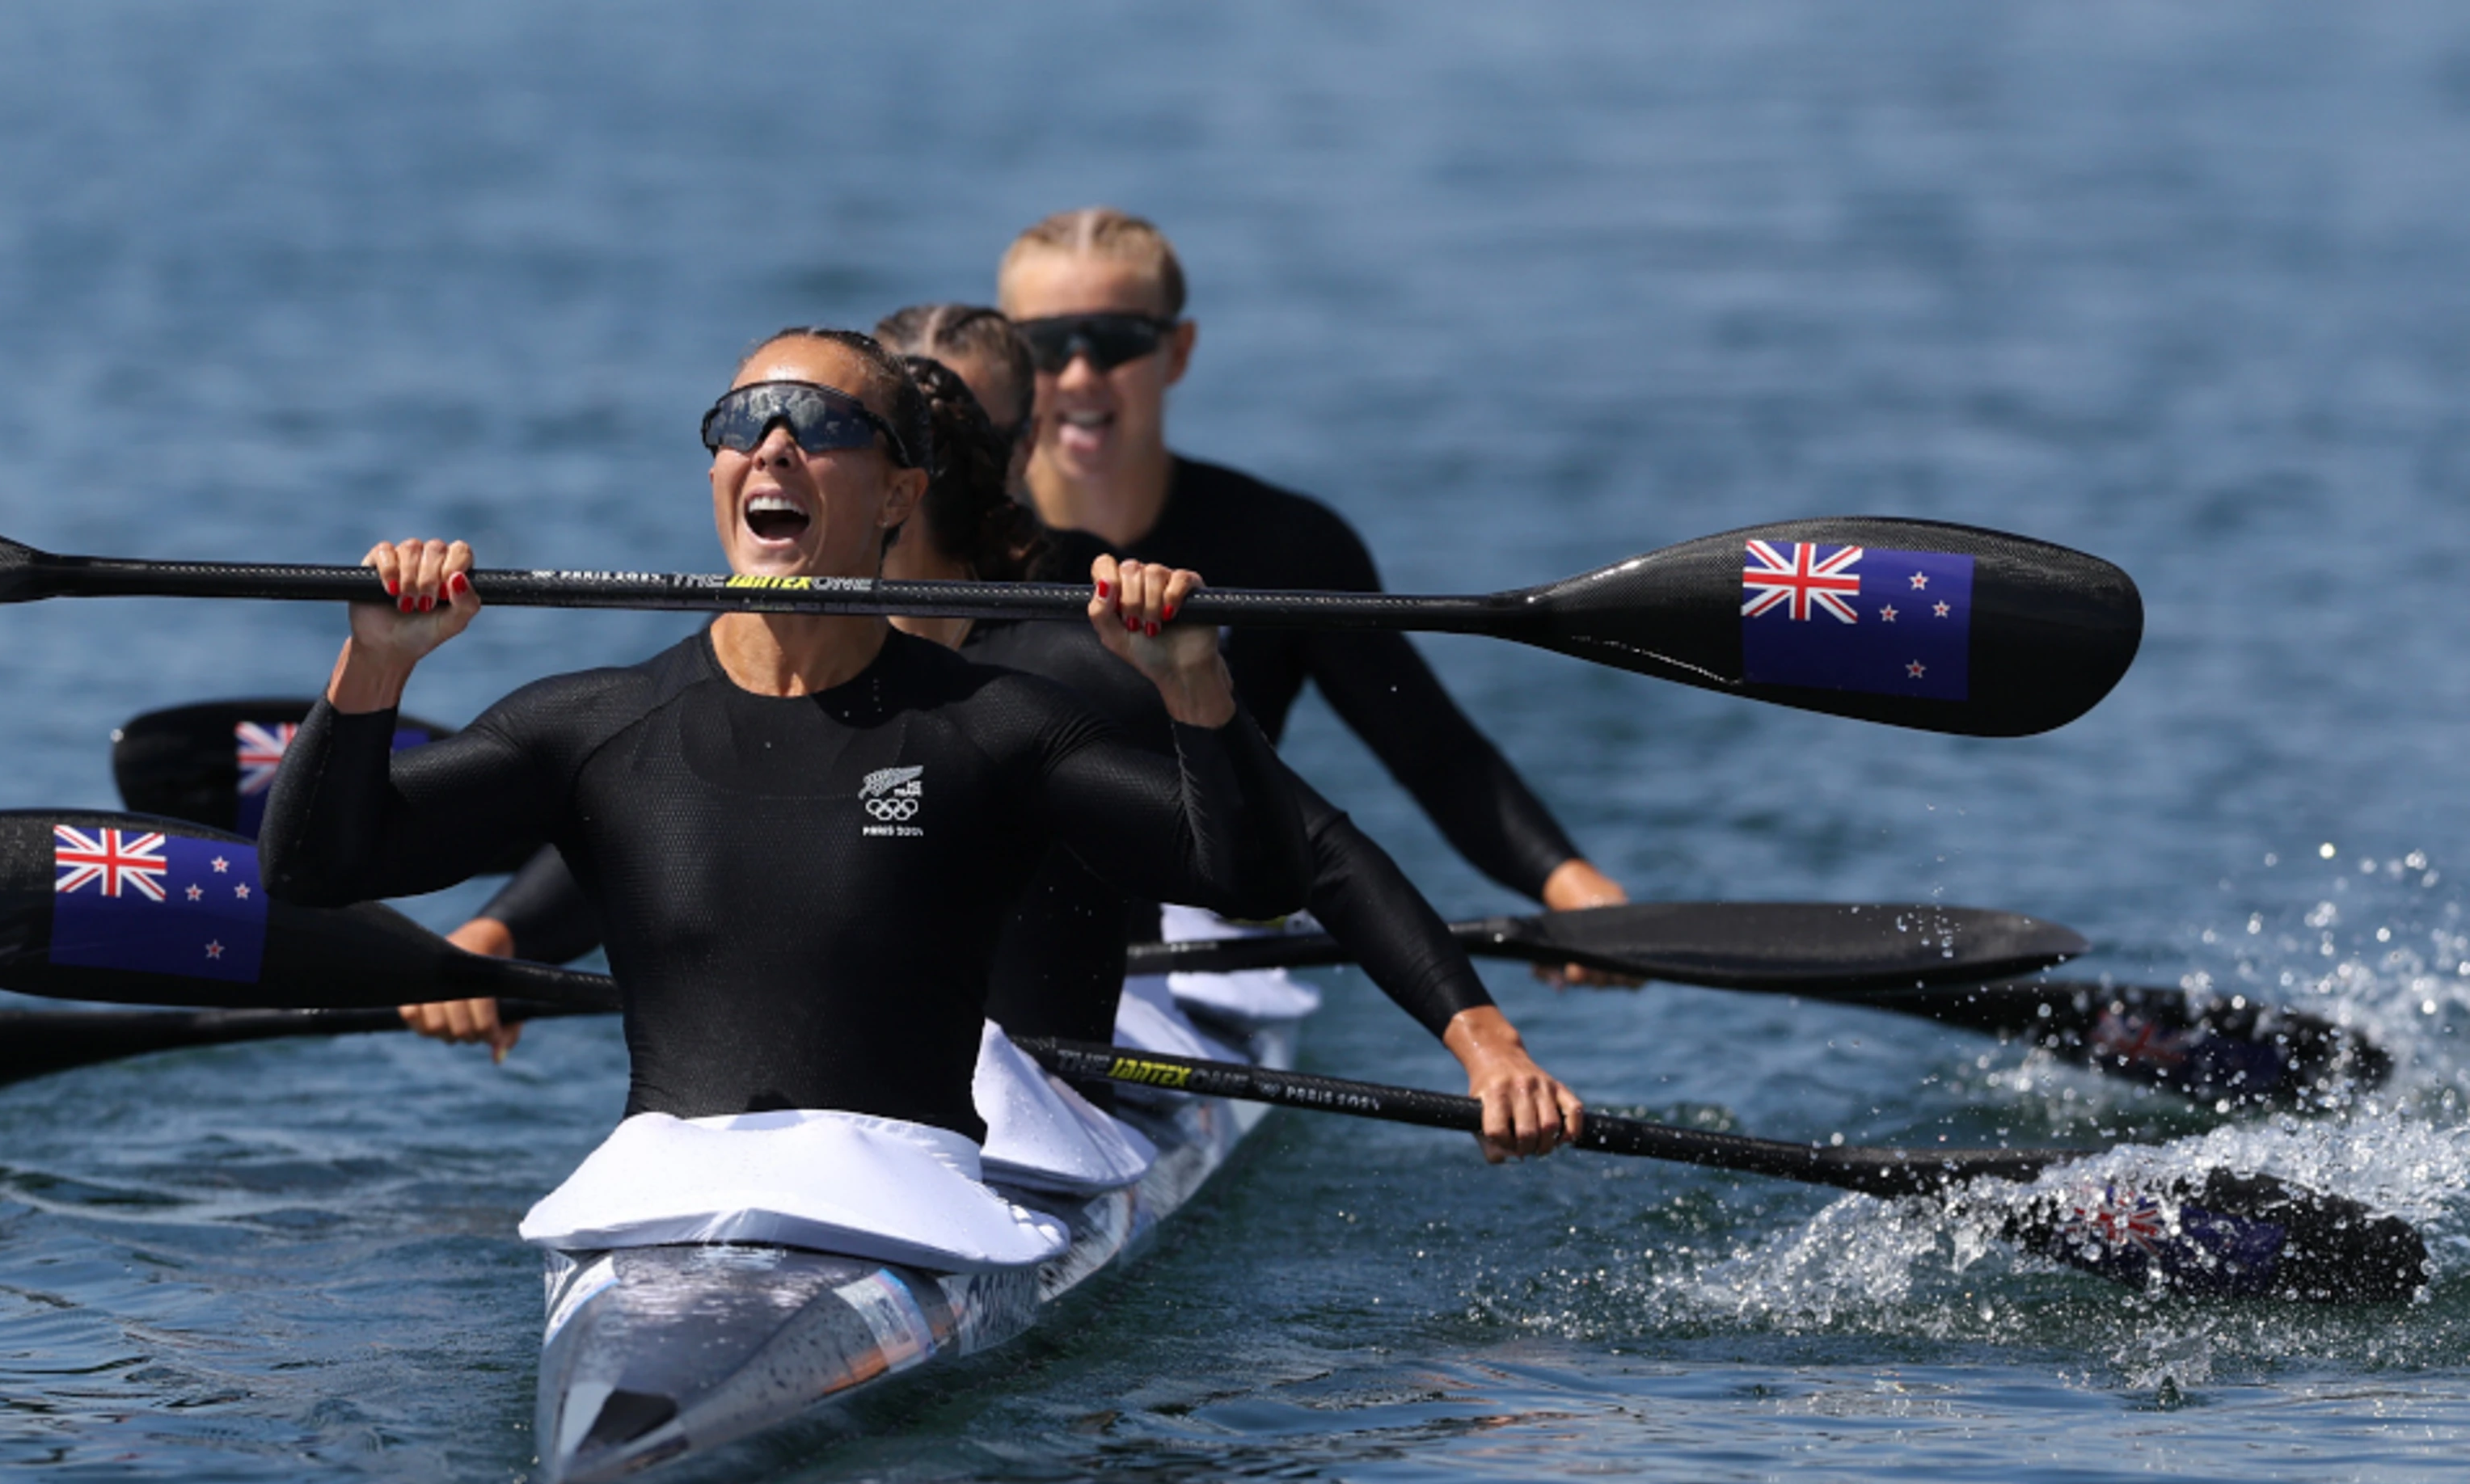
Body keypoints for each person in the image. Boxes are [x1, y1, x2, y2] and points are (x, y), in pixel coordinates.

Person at [263, 331, 1312, 1231]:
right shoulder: (597, 722)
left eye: (821, 424)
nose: (773, 445)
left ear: (903, 493)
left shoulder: (991, 728)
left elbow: (1256, 876)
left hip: (921, 1207)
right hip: (656, 1198)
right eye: (743, 422)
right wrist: (379, 664)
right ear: (716, 473)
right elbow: (314, 866)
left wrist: (1193, 685)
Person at [876, 324, 1583, 1157]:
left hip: (1040, 1099)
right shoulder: (738, 673)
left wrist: (1488, 1047)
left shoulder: (1074, 655)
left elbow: (1319, 853)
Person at [998, 209, 1632, 934]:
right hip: (1012, 933)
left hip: (1209, 932)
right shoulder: (956, 549)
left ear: (1178, 352)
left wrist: (1569, 885)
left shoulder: (1284, 546)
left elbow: (1433, 752)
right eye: (1044, 346)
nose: (1080, 374)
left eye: (1116, 342)